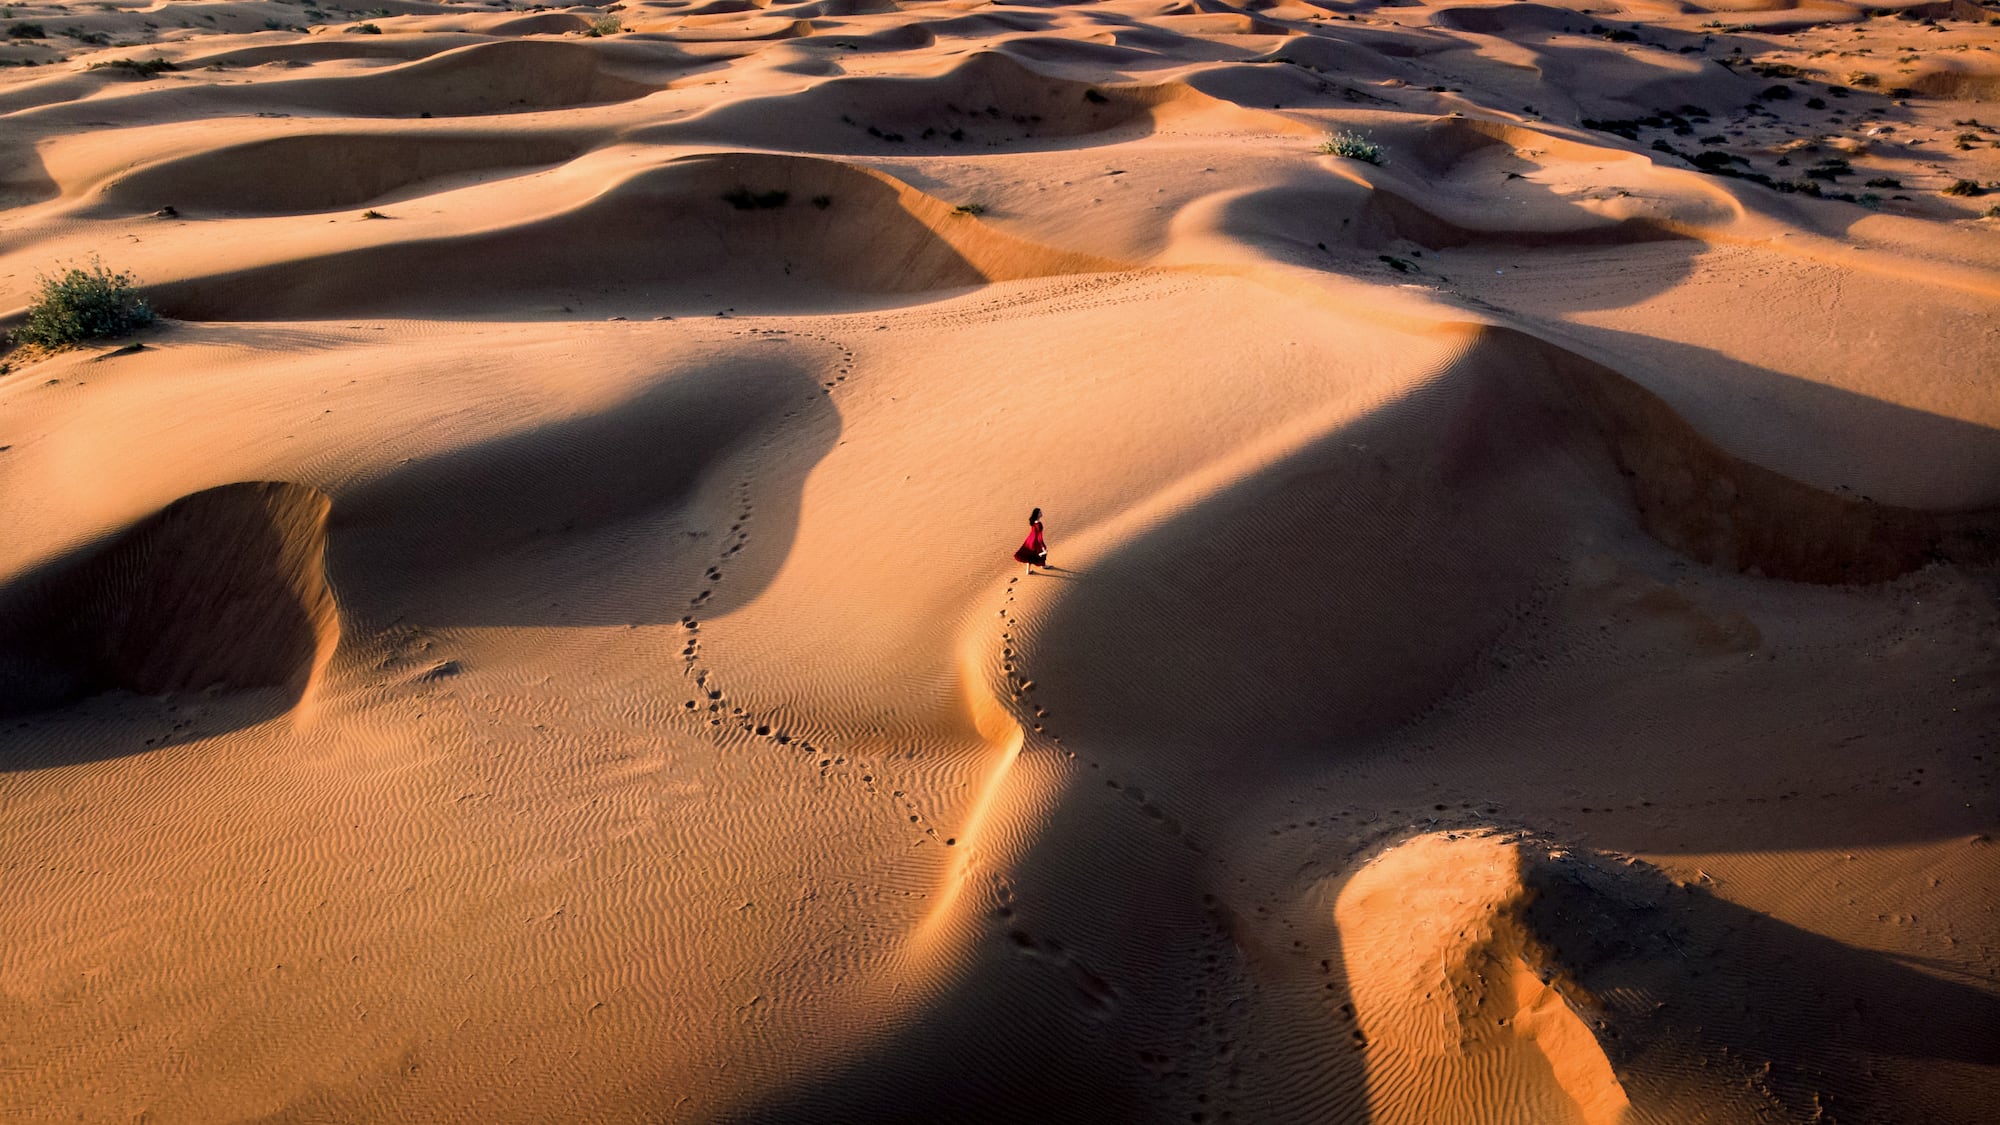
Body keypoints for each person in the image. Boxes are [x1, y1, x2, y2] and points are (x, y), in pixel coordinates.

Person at [1014, 508, 1048, 575]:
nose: (1041, 513)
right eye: (1040, 512)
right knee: (1043, 552)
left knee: (1030, 555)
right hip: (1035, 541)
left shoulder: (1033, 522)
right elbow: (1039, 536)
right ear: (1037, 515)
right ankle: (1043, 566)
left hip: (1029, 539)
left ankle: (1028, 571)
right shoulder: (1039, 524)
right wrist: (1042, 545)